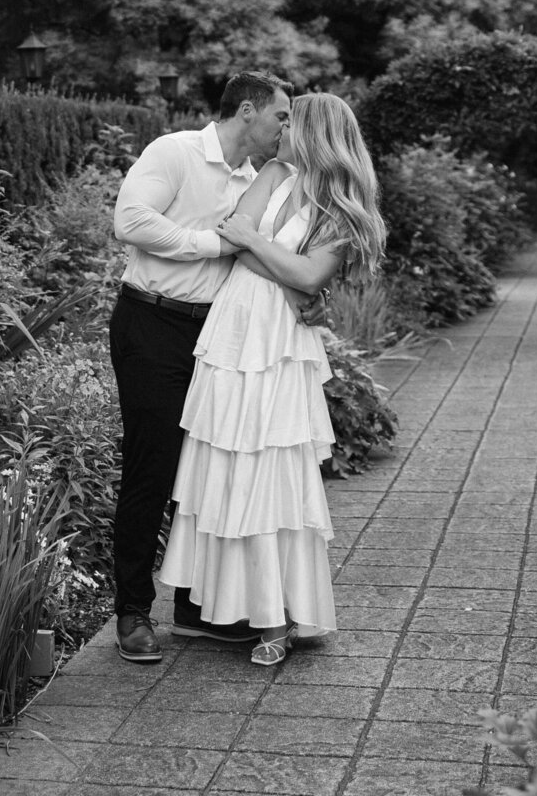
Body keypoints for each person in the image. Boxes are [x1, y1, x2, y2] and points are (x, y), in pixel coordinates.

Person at [158, 92, 386, 665]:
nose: (280, 127)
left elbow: (299, 266)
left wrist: (280, 265)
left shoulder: (344, 207)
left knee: (272, 470)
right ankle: (231, 606)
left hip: (280, 346)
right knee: (225, 461)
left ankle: (279, 620)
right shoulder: (275, 173)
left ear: (312, 132)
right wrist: (292, 279)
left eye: (291, 120)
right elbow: (235, 237)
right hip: (234, 334)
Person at [110, 71, 310, 664]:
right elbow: (132, 222)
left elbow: (261, 259)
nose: (288, 127)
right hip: (152, 323)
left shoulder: (262, 180)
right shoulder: (174, 152)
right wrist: (215, 243)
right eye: (281, 115)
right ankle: (132, 612)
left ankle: (196, 611)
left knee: (207, 465)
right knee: (153, 464)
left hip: (222, 335)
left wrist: (305, 294)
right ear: (246, 111)